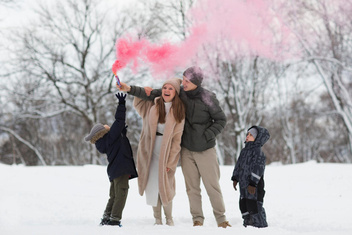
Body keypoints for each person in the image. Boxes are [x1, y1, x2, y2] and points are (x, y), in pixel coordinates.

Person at [118, 66, 231, 228]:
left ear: (196, 83)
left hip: (205, 149)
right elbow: (153, 93)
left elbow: (221, 120)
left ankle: (221, 219)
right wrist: (129, 89)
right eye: (183, 79)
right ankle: (197, 219)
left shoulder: (208, 97)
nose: (183, 83)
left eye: (187, 81)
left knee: (212, 186)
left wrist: (207, 135)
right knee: (192, 188)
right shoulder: (180, 92)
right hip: (186, 149)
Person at [120, 78, 185, 226]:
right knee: (152, 184)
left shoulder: (179, 111)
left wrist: (171, 161)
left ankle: (169, 218)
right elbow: (138, 104)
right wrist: (142, 92)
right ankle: (157, 219)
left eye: (170, 89)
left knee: (166, 185)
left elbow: (177, 140)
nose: (167, 91)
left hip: (166, 152)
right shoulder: (153, 105)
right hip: (149, 151)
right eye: (164, 88)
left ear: (175, 92)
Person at [84, 93, 138, 227]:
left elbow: (120, 143)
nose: (107, 125)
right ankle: (114, 220)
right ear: (101, 132)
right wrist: (121, 104)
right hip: (121, 169)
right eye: (104, 126)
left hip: (115, 171)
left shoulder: (106, 141)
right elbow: (119, 120)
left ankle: (106, 217)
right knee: (121, 194)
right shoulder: (110, 137)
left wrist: (122, 133)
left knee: (114, 195)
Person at [231, 126, 270, 228]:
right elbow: (238, 165)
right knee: (243, 204)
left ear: (258, 138)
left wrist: (253, 183)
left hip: (254, 186)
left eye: (251, 135)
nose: (248, 136)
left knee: (254, 205)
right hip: (244, 185)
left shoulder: (258, 152)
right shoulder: (244, 151)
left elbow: (259, 168)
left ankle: (260, 224)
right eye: (247, 134)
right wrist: (235, 177)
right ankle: (248, 222)